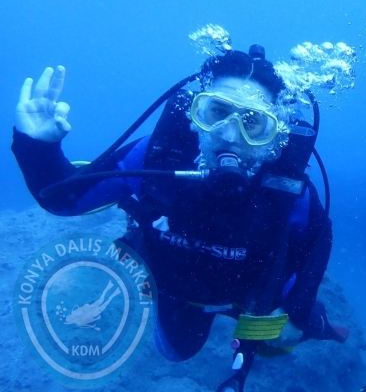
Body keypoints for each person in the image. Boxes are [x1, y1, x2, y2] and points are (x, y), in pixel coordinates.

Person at [12, 45, 348, 390]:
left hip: (255, 294)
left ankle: (320, 325)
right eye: (217, 112)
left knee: (290, 335)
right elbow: (61, 199)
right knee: (176, 353)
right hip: (180, 293)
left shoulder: (284, 188)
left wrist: (299, 309)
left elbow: (320, 237)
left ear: (273, 136)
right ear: (195, 113)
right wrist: (36, 147)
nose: (229, 135)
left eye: (252, 122)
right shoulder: (157, 157)